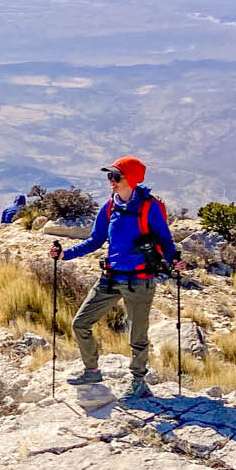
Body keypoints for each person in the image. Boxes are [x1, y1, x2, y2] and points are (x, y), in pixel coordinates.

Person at [47, 156, 176, 399]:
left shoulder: (150, 207)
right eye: (110, 176)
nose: (111, 181)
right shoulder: (110, 207)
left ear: (133, 179)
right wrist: (65, 254)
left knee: (137, 336)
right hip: (110, 277)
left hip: (140, 280)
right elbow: (95, 240)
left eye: (116, 176)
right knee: (80, 323)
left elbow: (164, 240)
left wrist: (174, 258)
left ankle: (139, 383)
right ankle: (92, 371)